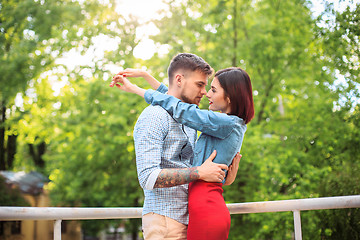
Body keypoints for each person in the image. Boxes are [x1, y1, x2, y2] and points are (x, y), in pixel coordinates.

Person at [111, 63, 254, 239]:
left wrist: (136, 89)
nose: (206, 93)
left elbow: (180, 109)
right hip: (199, 207)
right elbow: (174, 100)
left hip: (206, 206)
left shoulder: (225, 123)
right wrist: (146, 76)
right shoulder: (228, 124)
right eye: (202, 86)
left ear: (230, 97)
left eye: (213, 90)